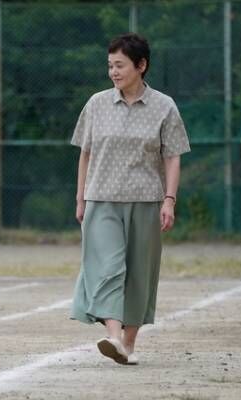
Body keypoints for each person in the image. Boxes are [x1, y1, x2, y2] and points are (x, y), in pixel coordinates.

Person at [70, 33, 190, 365]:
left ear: (141, 66)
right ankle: (112, 335)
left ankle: (129, 344)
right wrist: (80, 197)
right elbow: (86, 154)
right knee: (107, 267)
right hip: (101, 199)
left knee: (140, 273)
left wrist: (169, 200)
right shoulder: (96, 103)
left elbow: (173, 156)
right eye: (110, 65)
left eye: (120, 65)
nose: (113, 72)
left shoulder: (164, 106)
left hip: (146, 201)